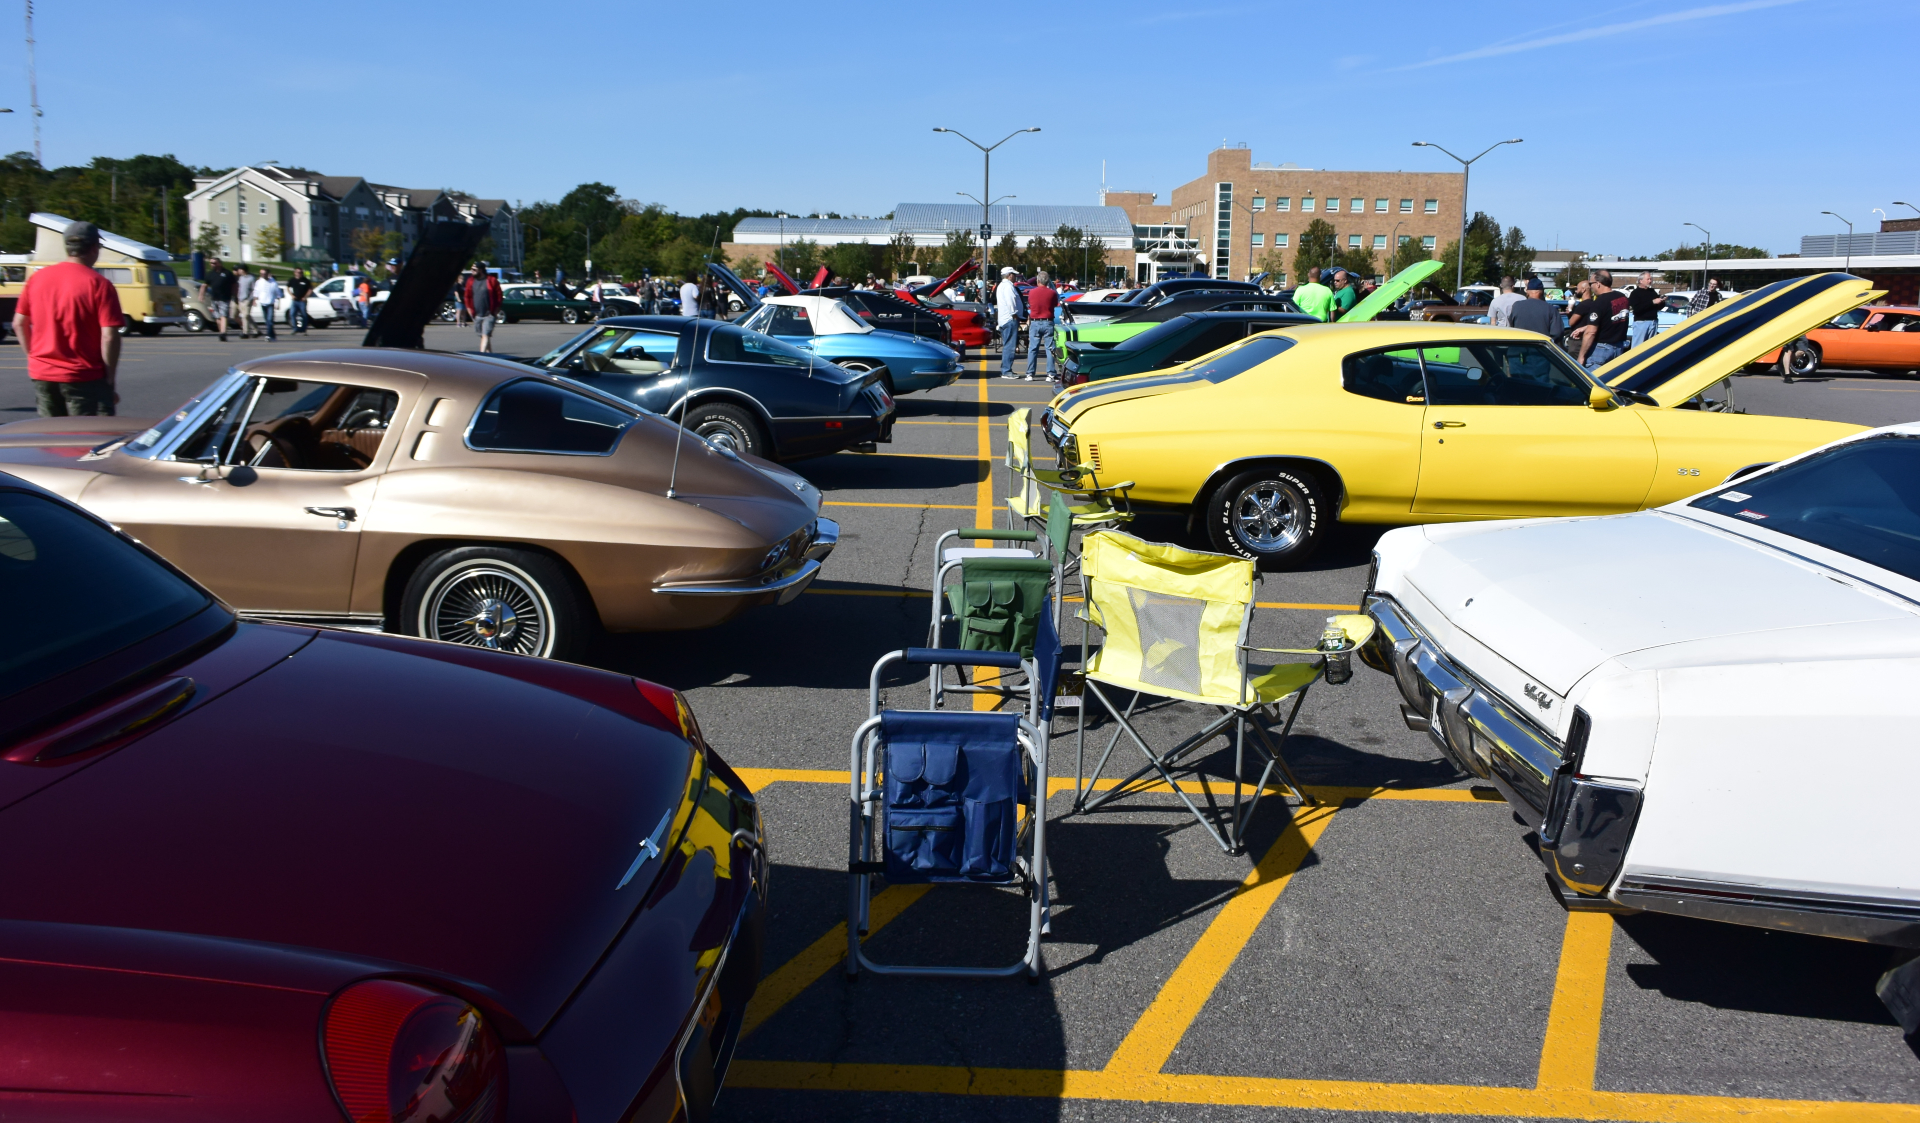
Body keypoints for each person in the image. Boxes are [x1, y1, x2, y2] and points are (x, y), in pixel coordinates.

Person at [13, 221, 124, 416]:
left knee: (53, 437)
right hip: (83, 375)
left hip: (43, 374)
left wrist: (33, 357)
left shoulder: (37, 279)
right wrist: (109, 377)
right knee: (86, 438)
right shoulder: (99, 284)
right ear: (93, 248)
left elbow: (19, 323)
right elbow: (109, 336)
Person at [1575, 271, 1630, 370]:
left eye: (1591, 284)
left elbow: (1591, 332)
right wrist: (1585, 327)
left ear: (1598, 284)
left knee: (1593, 382)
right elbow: (1610, 319)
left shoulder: (1599, 302)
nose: (1590, 287)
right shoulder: (1622, 298)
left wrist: (1581, 356)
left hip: (1601, 349)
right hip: (1619, 347)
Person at [1024, 270, 1059, 382]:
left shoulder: (1032, 292)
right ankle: (1050, 373)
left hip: (1035, 321)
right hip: (1048, 321)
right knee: (1050, 349)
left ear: (1038, 281)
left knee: (1033, 348)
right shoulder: (1052, 293)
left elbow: (1030, 304)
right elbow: (1055, 304)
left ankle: (1030, 373)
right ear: (1048, 281)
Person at [1510, 277, 1561, 343]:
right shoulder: (1550, 309)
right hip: (1540, 349)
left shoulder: (1516, 306)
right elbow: (1557, 333)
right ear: (1542, 292)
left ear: (1527, 291)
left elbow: (1510, 326)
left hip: (1519, 348)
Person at [465, 262, 502, 353]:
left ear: (480, 270)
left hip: (489, 314)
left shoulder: (491, 280)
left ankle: (481, 356)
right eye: (471, 269)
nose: (472, 271)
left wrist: (496, 310)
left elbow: (499, 295)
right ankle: (491, 357)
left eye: (474, 269)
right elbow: (467, 296)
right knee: (483, 336)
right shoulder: (470, 281)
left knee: (485, 335)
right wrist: (469, 309)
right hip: (477, 314)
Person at [995, 266, 1023, 378]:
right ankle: (1006, 370)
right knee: (1010, 346)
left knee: (1007, 345)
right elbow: (1011, 302)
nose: (1015, 277)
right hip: (1010, 319)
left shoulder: (1001, 286)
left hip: (1004, 319)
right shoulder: (1008, 287)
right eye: (1014, 275)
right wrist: (1015, 315)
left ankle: (1005, 369)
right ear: (1010, 275)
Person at [1627, 272, 1662, 349]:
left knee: (1651, 347)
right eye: (1648, 279)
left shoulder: (1652, 291)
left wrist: (1662, 301)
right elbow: (1637, 309)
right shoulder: (1635, 293)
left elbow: (1658, 307)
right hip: (1641, 322)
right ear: (1641, 281)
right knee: (1638, 347)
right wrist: (1652, 302)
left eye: (1650, 279)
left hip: (1653, 322)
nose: (1650, 281)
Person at [205, 257, 236, 341]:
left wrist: (234, 294)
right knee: (217, 317)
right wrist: (201, 295)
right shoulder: (210, 274)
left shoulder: (227, 273)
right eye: (211, 263)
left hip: (225, 298)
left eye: (214, 263)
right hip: (214, 298)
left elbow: (234, 285)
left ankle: (223, 333)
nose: (212, 265)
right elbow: (205, 285)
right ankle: (221, 332)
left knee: (224, 315)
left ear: (219, 263)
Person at [253, 268, 281, 341]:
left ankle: (268, 335)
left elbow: (277, 293)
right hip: (263, 303)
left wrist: (277, 303)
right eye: (261, 274)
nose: (262, 275)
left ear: (268, 274)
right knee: (267, 321)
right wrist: (254, 300)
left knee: (270, 320)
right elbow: (256, 291)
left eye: (264, 274)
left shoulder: (273, 282)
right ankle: (273, 335)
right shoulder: (259, 282)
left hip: (270, 303)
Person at [233, 265, 255, 338]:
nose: (238, 271)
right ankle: (256, 330)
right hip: (240, 299)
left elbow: (254, 290)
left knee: (245, 316)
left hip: (247, 300)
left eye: (239, 269)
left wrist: (250, 299)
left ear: (243, 270)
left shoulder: (251, 278)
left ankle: (245, 333)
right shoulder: (240, 278)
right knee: (246, 316)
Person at [288, 269, 311, 334]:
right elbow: (287, 288)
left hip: (302, 301)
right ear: (295, 273)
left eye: (300, 272)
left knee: (304, 315)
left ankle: (304, 329)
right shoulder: (292, 280)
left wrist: (305, 297)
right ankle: (295, 328)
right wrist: (291, 295)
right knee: (292, 314)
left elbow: (310, 289)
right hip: (295, 300)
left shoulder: (305, 280)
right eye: (298, 272)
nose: (299, 273)